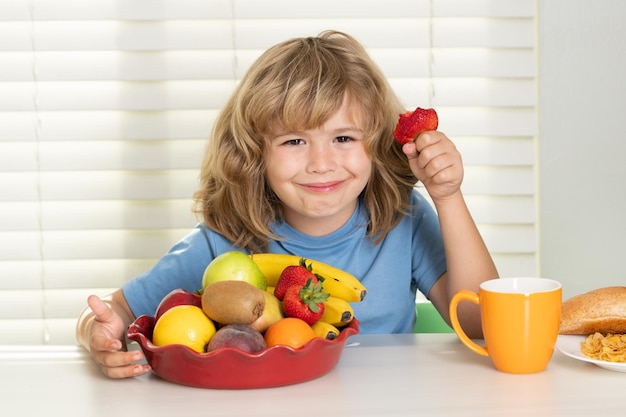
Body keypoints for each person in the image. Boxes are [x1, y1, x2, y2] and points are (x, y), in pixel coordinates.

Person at [76, 30, 498, 378]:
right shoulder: (222, 242)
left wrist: (447, 196)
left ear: (375, 143)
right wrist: (99, 332)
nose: (321, 163)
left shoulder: (401, 216)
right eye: (294, 141)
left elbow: (483, 324)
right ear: (254, 153)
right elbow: (114, 310)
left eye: (344, 138)